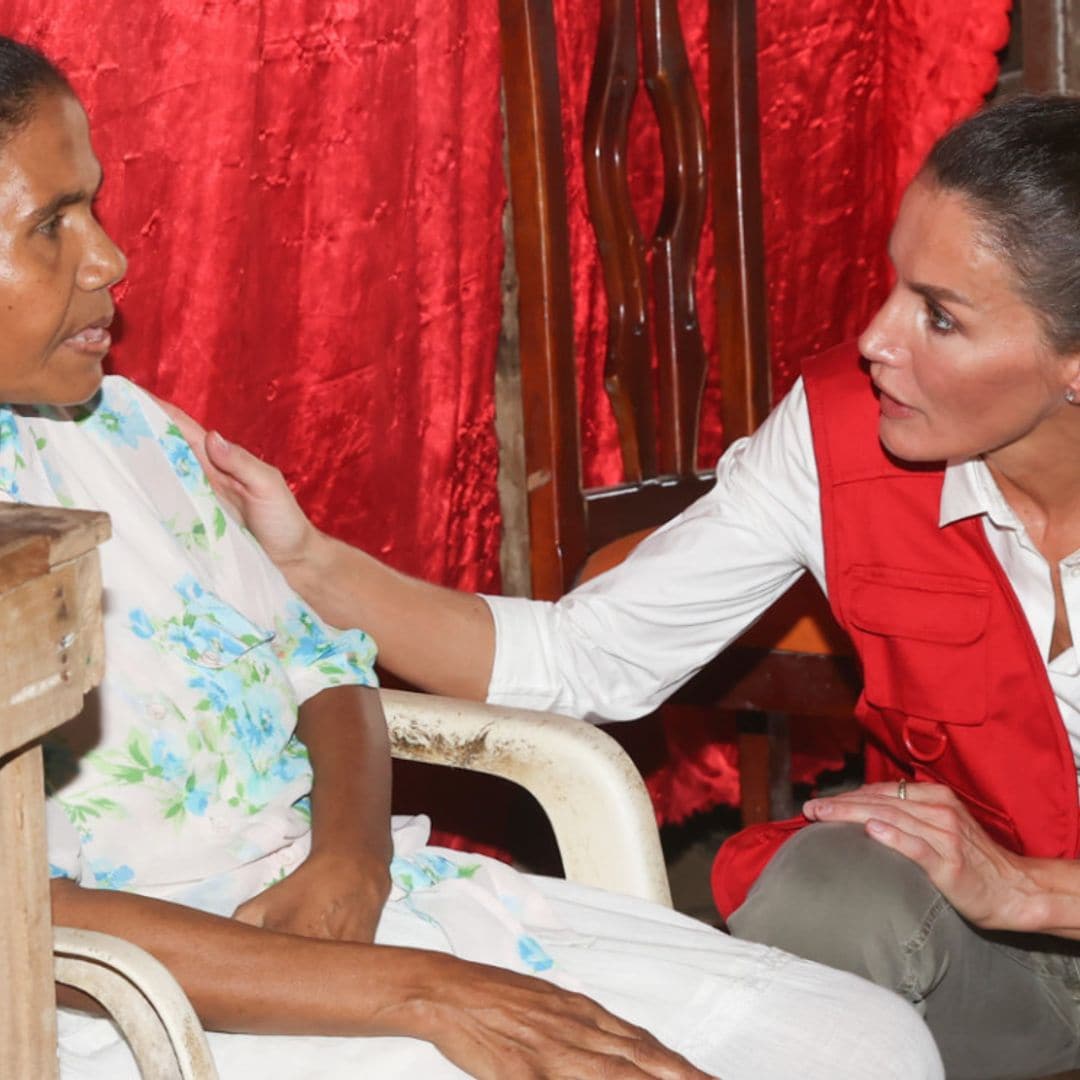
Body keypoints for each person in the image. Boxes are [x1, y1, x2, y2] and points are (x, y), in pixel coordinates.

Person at [0, 35, 944, 1080]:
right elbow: (25, 925)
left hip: (352, 898)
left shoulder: (127, 431)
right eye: (52, 224)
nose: (109, 259)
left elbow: (325, 666)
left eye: (91, 204)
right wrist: (426, 992)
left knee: (864, 1043)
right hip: (121, 988)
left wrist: (352, 862)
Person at [186, 90, 1080, 1080]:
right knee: (830, 890)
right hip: (993, 961)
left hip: (1039, 898)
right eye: (894, 286)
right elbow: (587, 657)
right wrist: (312, 562)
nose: (876, 339)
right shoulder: (841, 430)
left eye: (940, 317)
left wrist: (1039, 892)